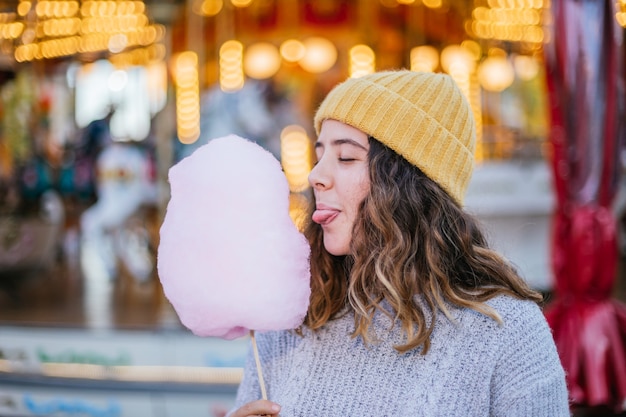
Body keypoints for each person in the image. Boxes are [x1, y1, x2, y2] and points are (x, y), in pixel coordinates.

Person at [228, 70, 570, 416]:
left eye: (345, 157)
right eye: (320, 155)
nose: (315, 175)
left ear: (409, 186)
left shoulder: (506, 332)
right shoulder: (289, 321)